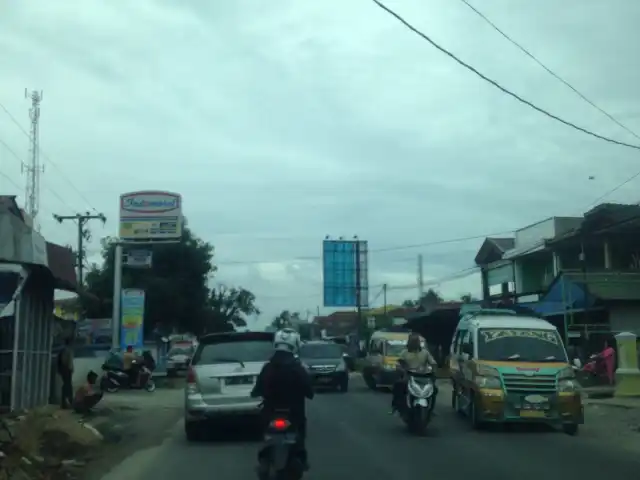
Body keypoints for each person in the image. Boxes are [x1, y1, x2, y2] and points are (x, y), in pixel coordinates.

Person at [251, 328, 314, 471]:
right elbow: (310, 392)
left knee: (264, 430)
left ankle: (265, 459)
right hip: (294, 413)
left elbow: (256, 390)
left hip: (270, 412)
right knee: (300, 431)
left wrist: (256, 393)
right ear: (295, 345)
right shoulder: (298, 368)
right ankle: (300, 457)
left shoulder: (267, 367)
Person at [391, 332, 438, 413]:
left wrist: (434, 370)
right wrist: (401, 369)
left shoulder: (425, 353)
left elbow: (433, 363)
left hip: (423, 377)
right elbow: (399, 364)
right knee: (398, 386)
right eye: (413, 341)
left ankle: (431, 409)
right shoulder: (404, 353)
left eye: (416, 341)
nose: (415, 342)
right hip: (409, 376)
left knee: (434, 389)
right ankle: (396, 405)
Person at [57, 337, 75, 409]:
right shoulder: (67, 350)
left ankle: (66, 403)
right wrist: (70, 369)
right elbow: (67, 361)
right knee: (67, 387)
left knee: (66, 386)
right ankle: (67, 403)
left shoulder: (64, 350)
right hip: (67, 370)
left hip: (65, 370)